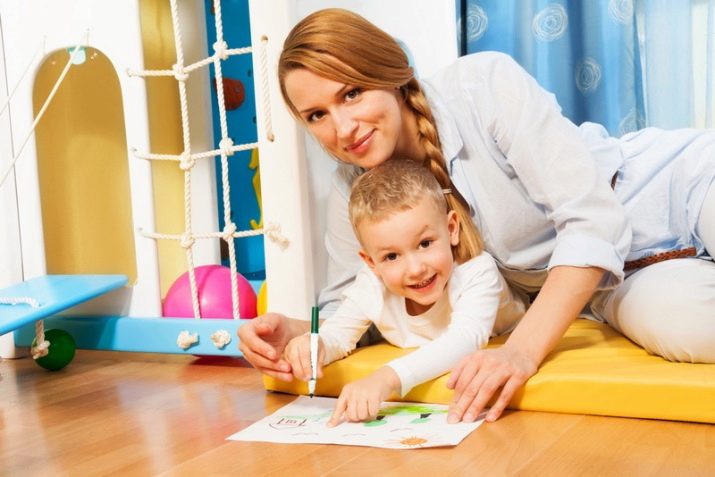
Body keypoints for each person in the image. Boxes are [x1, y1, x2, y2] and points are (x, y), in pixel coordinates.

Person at [239, 8, 715, 424]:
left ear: (391, 72)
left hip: (674, 189)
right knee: (688, 327)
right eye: (316, 115)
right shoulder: (353, 191)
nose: (342, 128)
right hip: (612, 282)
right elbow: (358, 306)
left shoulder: (482, 85)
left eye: (352, 94)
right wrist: (297, 334)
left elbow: (593, 221)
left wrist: (520, 352)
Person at [282, 159, 526, 425]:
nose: (416, 269)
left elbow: (465, 340)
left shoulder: (477, 271)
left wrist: (386, 378)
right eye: (391, 256)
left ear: (451, 229)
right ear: (371, 263)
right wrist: (315, 346)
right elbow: (339, 334)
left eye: (425, 243)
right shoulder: (372, 284)